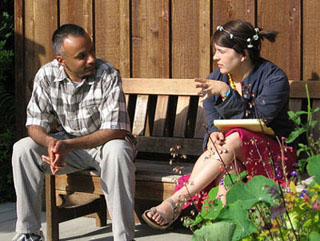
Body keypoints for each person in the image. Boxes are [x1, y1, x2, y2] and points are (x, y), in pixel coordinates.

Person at [142, 19, 297, 230]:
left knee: (233, 138)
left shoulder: (273, 78)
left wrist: (226, 93)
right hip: (228, 154)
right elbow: (212, 120)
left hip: (274, 155)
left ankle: (178, 200)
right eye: (215, 51)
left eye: (221, 52)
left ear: (243, 53)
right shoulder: (214, 79)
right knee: (227, 166)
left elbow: (260, 118)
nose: (215, 58)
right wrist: (214, 133)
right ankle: (222, 226)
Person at [12, 24, 137, 241]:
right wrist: (52, 143)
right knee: (22, 148)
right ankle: (29, 233)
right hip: (70, 147)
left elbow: (116, 130)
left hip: (105, 146)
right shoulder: (47, 75)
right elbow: (34, 124)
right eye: (82, 56)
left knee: (117, 151)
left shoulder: (107, 74)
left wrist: (67, 146)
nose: (91, 59)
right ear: (61, 60)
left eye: (92, 51)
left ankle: (123, 237)